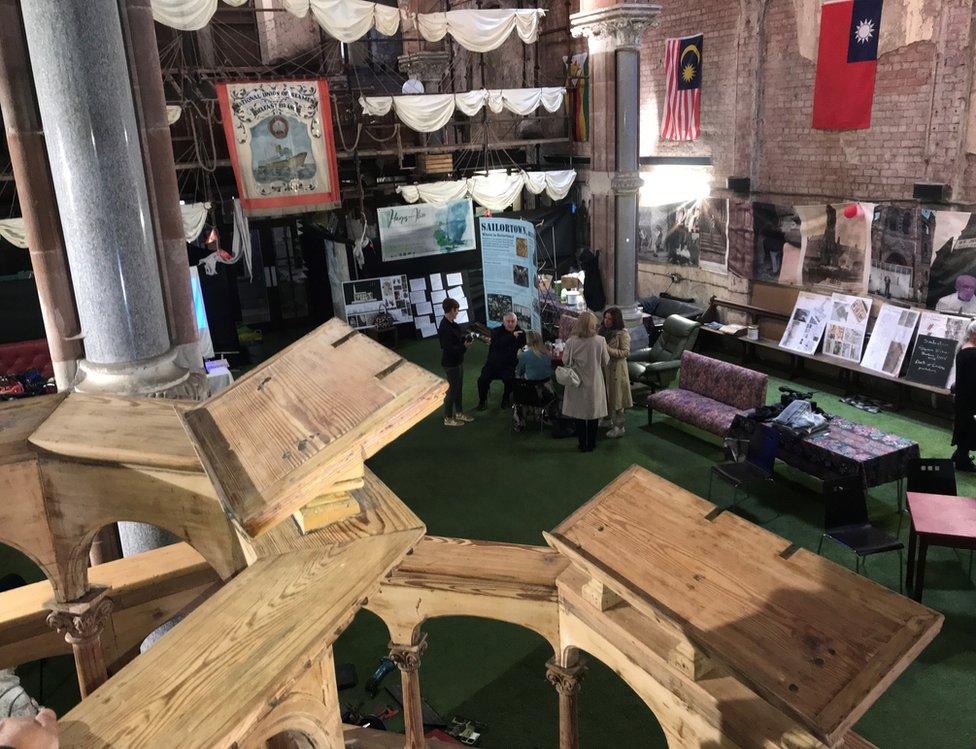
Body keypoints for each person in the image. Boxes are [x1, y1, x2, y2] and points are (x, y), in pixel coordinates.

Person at [561, 311, 609, 452]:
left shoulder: (571, 342)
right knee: (593, 414)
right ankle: (592, 444)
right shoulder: (600, 341)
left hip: (577, 382)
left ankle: (582, 444)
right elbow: (606, 361)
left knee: (579, 415)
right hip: (594, 381)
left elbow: (565, 361)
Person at [437, 298, 474, 427]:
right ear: (452, 310)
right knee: (452, 390)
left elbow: (456, 339)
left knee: (458, 388)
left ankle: (458, 413)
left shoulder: (452, 323)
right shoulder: (444, 328)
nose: (457, 312)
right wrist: (464, 347)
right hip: (450, 364)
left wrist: (465, 339)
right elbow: (450, 349)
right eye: (456, 310)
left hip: (458, 362)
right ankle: (447, 417)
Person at [476, 312, 523, 410]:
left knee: (510, 380)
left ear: (516, 322)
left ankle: (506, 398)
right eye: (508, 321)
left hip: (509, 365)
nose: (510, 324)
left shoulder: (521, 334)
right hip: (492, 364)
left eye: (513, 321)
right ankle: (482, 401)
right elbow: (499, 343)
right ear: (503, 322)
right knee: (482, 380)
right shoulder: (495, 331)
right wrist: (512, 336)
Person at [600, 307, 633, 438]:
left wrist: (607, 349)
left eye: (610, 319)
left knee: (618, 398)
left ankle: (620, 427)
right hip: (604, 367)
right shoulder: (602, 331)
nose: (607, 321)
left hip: (617, 369)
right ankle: (607, 419)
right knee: (605, 395)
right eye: (605, 318)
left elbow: (625, 352)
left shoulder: (622, 333)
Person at [951, 320, 976, 471]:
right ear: (974, 334)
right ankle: (962, 459)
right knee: (969, 428)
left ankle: (961, 455)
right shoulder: (972, 354)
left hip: (963, 397)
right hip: (970, 398)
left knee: (964, 426)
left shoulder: (963, 349)